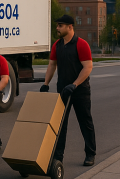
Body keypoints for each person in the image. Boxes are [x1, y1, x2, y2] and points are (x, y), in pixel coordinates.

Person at [41, 14, 96, 166]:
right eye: (58, 25)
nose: (57, 28)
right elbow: (52, 65)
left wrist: (75, 84)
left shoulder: (81, 44)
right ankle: (58, 157)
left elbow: (88, 67)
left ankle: (90, 154)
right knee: (60, 125)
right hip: (63, 91)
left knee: (85, 122)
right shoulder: (57, 45)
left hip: (80, 91)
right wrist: (46, 83)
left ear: (70, 27)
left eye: (60, 25)